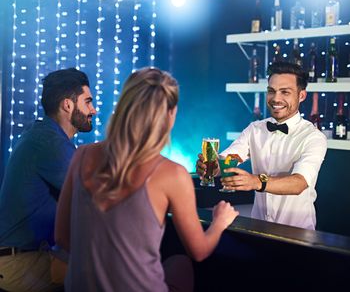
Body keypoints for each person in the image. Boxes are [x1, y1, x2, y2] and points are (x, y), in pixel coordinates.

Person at [55, 67, 238, 292]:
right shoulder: (173, 174)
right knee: (183, 265)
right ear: (170, 114)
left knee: (176, 265)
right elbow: (198, 251)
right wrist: (220, 222)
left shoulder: (82, 155)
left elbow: (62, 236)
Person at [196, 61, 327, 230]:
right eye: (271, 91)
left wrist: (257, 182)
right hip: (258, 228)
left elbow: (299, 183)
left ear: (301, 96)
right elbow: (231, 158)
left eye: (285, 92)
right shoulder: (255, 129)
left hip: (297, 233)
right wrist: (214, 167)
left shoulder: (314, 137)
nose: (276, 99)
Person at [0, 68, 96, 292]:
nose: (93, 109)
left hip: (27, 256)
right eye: (88, 102)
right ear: (68, 105)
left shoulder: (45, 135)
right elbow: (93, 196)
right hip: (19, 264)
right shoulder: (50, 142)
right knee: (107, 272)